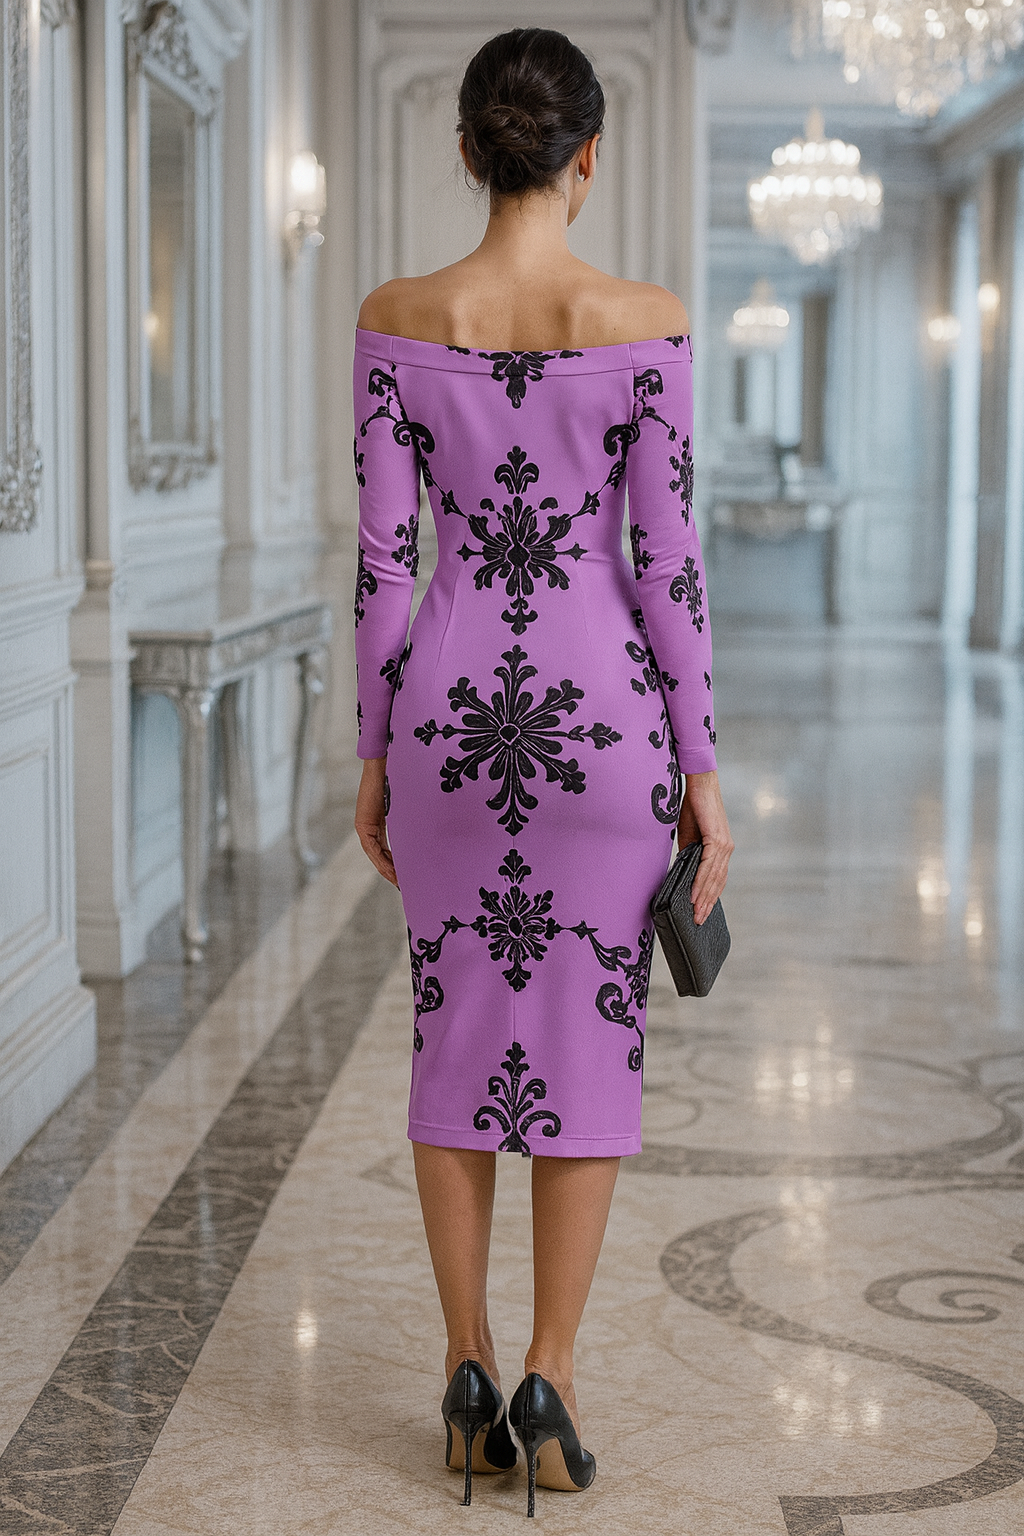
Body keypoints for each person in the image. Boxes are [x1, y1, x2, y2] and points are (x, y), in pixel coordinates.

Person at [353, 26, 732, 1519]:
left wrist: (374, 757)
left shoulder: (398, 315)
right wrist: (701, 766)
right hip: (605, 729)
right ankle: (553, 1380)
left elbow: (389, 567)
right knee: (590, 1044)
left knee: (454, 1035)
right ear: (587, 159)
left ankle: (464, 1374)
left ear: (466, 152)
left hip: (451, 723)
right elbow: (671, 567)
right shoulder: (642, 318)